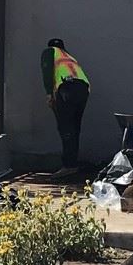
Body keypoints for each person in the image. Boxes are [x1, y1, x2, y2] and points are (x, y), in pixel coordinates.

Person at [40, 38, 91, 170]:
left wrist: (49, 94)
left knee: (65, 127)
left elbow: (47, 72)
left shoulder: (49, 52)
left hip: (67, 88)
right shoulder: (69, 57)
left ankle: (68, 165)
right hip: (83, 89)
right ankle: (72, 162)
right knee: (74, 127)